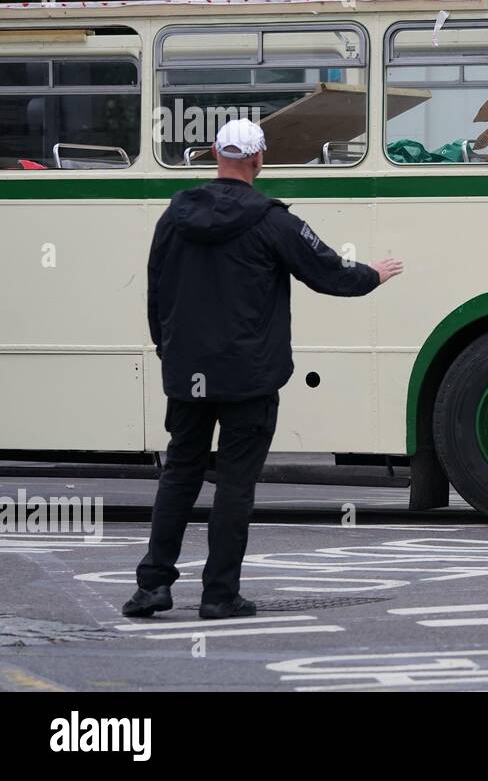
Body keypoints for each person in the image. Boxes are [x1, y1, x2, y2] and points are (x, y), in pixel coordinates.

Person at [123, 119, 403, 620]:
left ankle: (152, 588)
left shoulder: (174, 215)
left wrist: (169, 350)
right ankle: (219, 595)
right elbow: (327, 272)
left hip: (189, 374)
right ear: (259, 160)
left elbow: (156, 289)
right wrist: (372, 275)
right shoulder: (273, 221)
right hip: (249, 378)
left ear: (215, 153)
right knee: (235, 483)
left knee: (180, 474)